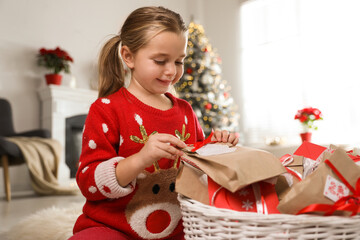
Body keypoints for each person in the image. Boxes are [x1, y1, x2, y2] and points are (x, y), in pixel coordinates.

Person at [69, 6, 239, 240]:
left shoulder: (185, 111)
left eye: (179, 61)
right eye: (160, 61)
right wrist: (141, 158)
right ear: (128, 57)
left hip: (177, 230)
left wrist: (218, 147)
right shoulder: (106, 110)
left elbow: (198, 167)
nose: (171, 71)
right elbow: (88, 182)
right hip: (113, 228)